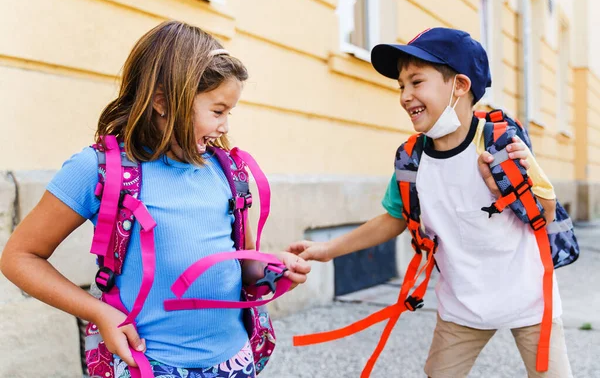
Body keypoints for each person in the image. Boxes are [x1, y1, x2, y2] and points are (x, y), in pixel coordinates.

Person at [1, 20, 310, 378]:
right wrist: (99, 312)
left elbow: (242, 262)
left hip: (234, 360)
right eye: (217, 111)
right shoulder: (98, 168)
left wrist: (273, 267)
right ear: (163, 102)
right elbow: (19, 257)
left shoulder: (226, 170)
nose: (225, 126)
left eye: (229, 112)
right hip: (149, 363)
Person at [288, 28, 572, 377]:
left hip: (530, 302)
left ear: (460, 86)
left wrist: (516, 189)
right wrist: (328, 249)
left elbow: (543, 214)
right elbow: (394, 218)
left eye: (416, 82)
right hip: (462, 308)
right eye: (401, 86)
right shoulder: (413, 160)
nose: (405, 96)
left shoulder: (502, 145)